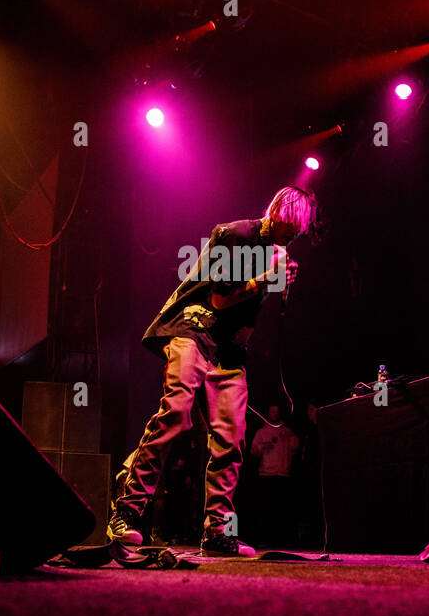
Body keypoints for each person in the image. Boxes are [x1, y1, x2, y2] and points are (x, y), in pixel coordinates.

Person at [108, 186, 317, 556]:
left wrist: (280, 285)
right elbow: (220, 298)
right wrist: (265, 280)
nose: (292, 235)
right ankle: (126, 510)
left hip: (229, 349)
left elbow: (247, 311)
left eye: (298, 231)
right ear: (279, 212)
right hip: (194, 328)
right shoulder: (237, 236)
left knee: (231, 438)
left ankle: (218, 532)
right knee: (176, 412)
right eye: (290, 226)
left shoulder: (274, 253)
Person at [249, 404, 299, 546]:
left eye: (276, 411)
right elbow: (253, 451)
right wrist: (262, 447)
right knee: (266, 510)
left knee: (282, 510)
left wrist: (290, 437)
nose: (274, 414)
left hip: (283, 475)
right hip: (266, 475)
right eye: (272, 411)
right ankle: (266, 539)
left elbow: (295, 447)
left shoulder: (287, 431)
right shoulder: (261, 432)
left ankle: (282, 540)